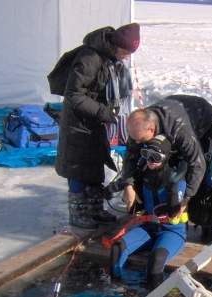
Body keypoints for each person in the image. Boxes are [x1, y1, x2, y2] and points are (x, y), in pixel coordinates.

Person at [52, 23, 141, 229]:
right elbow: (74, 94)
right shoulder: (90, 58)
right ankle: (78, 212)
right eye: (125, 52)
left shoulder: (111, 59)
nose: (127, 57)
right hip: (78, 123)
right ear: (116, 45)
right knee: (77, 166)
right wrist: (103, 112)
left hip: (94, 121)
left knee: (95, 162)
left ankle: (94, 208)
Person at [121, 95, 212, 241]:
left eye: (139, 139)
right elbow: (130, 156)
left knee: (201, 174)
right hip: (172, 118)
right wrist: (128, 185)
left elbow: (197, 164)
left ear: (151, 129)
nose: (136, 142)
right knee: (161, 167)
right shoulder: (139, 127)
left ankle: (206, 222)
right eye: (134, 138)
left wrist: (186, 198)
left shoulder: (179, 129)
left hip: (202, 119)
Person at [110, 135, 187, 284]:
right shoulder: (143, 173)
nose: (150, 161)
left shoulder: (176, 177)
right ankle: (117, 290)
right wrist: (116, 187)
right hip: (148, 227)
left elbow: (173, 213)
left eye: (156, 157)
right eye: (147, 155)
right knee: (117, 248)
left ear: (165, 157)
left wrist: (174, 186)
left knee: (156, 259)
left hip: (172, 231)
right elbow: (131, 197)